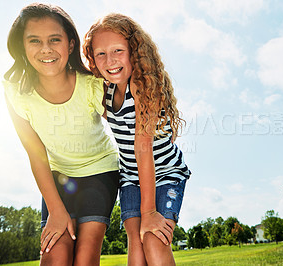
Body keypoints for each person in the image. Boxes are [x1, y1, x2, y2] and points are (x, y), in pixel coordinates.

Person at [3, 3, 120, 265]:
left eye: (54, 39)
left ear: (69, 44)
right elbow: (36, 155)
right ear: (22, 47)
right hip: (57, 177)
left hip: (100, 172)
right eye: (34, 41)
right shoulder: (15, 93)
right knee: (55, 256)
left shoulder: (91, 85)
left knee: (85, 258)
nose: (46, 49)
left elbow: (127, 121)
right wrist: (56, 210)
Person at [83, 13, 191, 265]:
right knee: (136, 244)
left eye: (118, 50)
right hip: (130, 177)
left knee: (153, 240)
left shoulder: (143, 87)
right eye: (100, 53)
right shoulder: (106, 90)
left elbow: (143, 148)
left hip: (164, 173)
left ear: (135, 51)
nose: (109, 60)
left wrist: (150, 212)